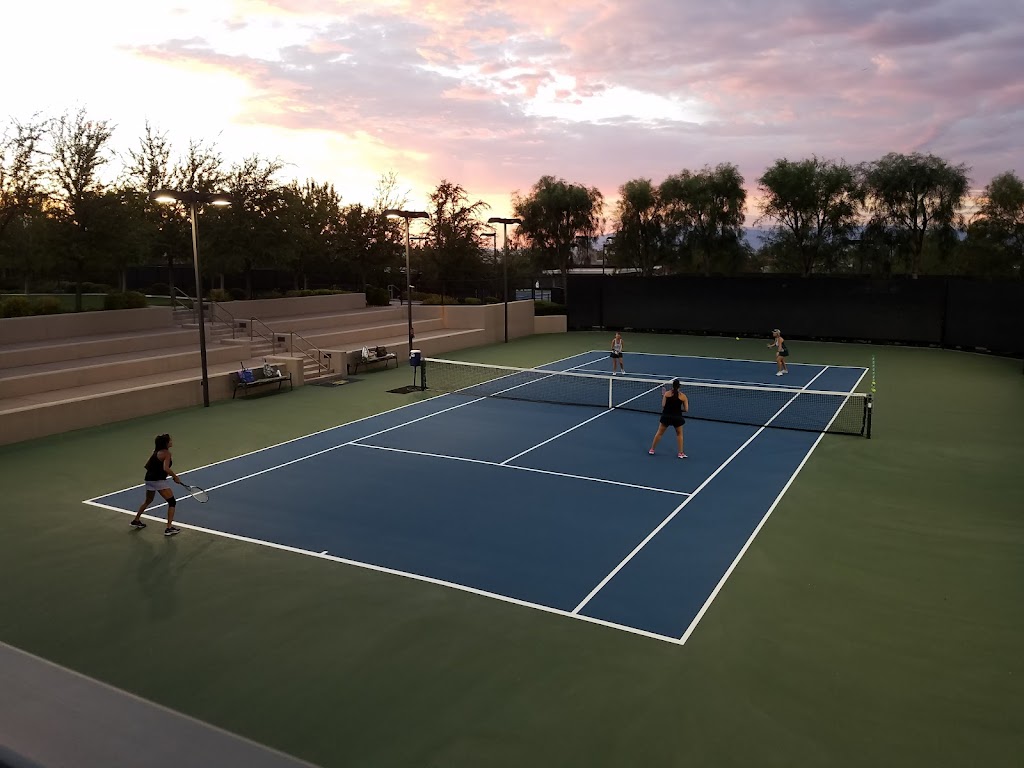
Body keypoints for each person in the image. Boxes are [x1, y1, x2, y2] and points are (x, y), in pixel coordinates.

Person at [131, 433, 183, 537]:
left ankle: (136, 520)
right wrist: (175, 477)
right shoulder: (167, 453)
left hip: (149, 479)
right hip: (158, 481)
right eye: (170, 440)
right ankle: (169, 528)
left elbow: (147, 465)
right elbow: (166, 468)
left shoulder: (155, 452)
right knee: (172, 502)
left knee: (148, 500)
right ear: (166, 443)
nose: (172, 441)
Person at [649, 379, 689, 458]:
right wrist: (679, 409)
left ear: (672, 386)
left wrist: (665, 397)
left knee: (659, 433)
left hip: (666, 416)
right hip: (677, 417)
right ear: (679, 387)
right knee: (679, 434)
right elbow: (686, 410)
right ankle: (680, 453)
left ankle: (652, 449)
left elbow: (663, 405)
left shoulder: (666, 394)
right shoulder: (683, 396)